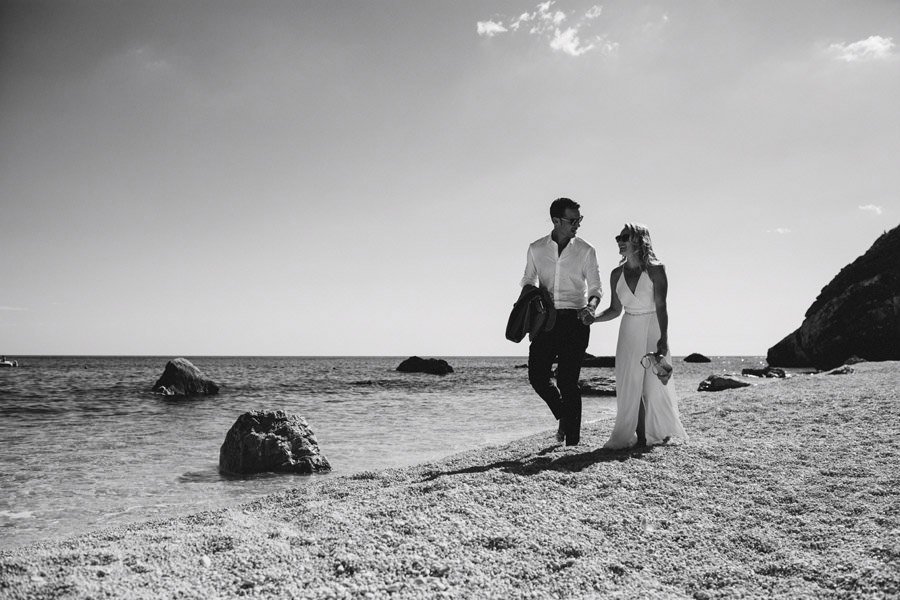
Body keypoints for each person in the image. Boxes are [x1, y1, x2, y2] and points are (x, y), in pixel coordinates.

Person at [591, 223, 687, 449]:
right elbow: (615, 310)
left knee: (653, 385)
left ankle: (657, 432)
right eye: (618, 237)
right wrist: (592, 318)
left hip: (653, 325)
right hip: (628, 329)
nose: (619, 241)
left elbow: (662, 307)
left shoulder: (656, 269)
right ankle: (641, 436)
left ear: (639, 240)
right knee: (630, 383)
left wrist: (663, 338)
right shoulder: (616, 274)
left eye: (624, 236)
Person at [520, 198, 603, 446]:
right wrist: (532, 299)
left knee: (568, 382)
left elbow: (596, 287)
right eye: (572, 220)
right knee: (537, 377)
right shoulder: (536, 248)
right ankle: (565, 417)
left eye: (580, 219)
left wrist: (591, 306)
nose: (577, 224)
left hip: (576, 320)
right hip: (546, 320)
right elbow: (527, 279)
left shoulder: (586, 250)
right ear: (556, 221)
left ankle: (573, 444)